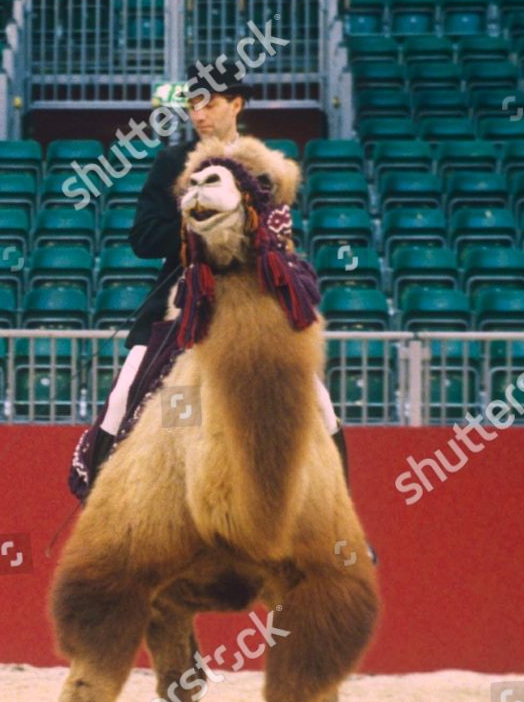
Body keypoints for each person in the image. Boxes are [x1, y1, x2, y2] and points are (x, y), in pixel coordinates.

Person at [73, 59, 355, 496]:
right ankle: (103, 505)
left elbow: (281, 242)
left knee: (321, 405)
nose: (198, 113)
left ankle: (339, 514)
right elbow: (144, 238)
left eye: (209, 103)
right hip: (185, 304)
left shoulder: (266, 168)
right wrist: (200, 234)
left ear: (237, 104)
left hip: (251, 301)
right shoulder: (173, 162)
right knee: (122, 399)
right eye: (192, 104)